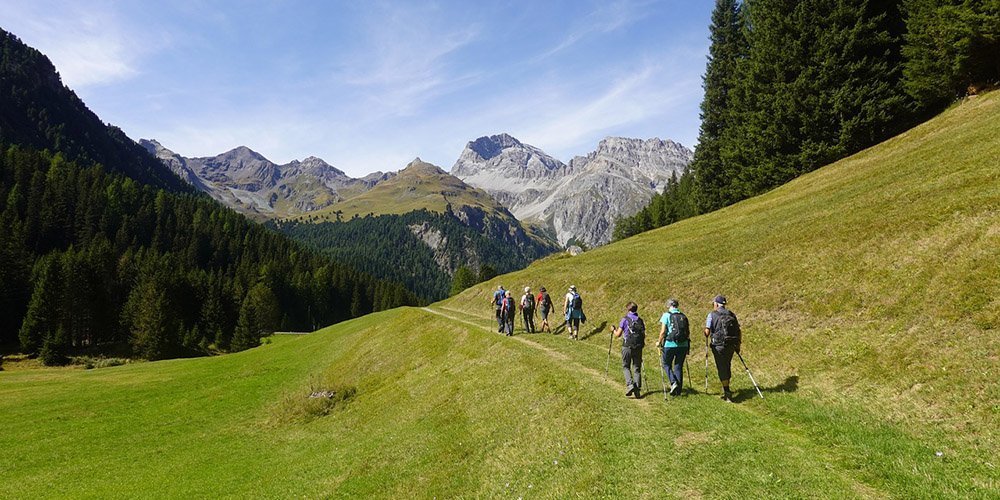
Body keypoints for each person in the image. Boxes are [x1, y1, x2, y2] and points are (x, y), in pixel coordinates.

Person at [704, 295, 741, 402]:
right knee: (727, 364)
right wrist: (738, 345)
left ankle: (727, 392)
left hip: (718, 345)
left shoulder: (712, 315)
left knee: (721, 367)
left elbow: (707, 331)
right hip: (731, 344)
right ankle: (726, 388)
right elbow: (738, 331)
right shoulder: (731, 314)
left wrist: (705, 333)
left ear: (716, 304)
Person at [657, 298, 690, 396]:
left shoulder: (666, 315)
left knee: (666, 364)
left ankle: (673, 382)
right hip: (683, 344)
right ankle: (678, 391)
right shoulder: (683, 316)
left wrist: (659, 342)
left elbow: (663, 331)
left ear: (669, 305)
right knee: (678, 366)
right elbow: (688, 332)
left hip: (670, 344)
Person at [612, 302, 645, 398]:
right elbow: (643, 334)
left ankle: (630, 385)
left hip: (627, 346)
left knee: (626, 366)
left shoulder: (625, 320)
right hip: (638, 347)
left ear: (628, 309)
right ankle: (637, 389)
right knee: (637, 368)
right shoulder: (640, 320)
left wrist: (613, 330)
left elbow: (618, 334)